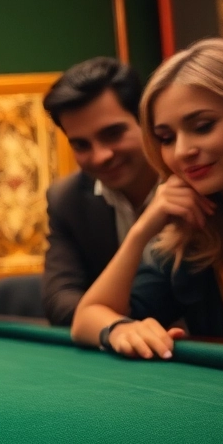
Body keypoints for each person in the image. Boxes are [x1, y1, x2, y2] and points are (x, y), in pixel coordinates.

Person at [72, 38, 223, 355]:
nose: (181, 152)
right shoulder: (197, 241)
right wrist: (142, 229)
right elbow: (86, 318)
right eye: (166, 138)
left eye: (203, 126)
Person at [41, 57, 160, 325]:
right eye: (81, 145)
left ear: (146, 120)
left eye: (112, 134)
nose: (100, 156)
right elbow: (60, 298)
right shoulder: (67, 200)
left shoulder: (195, 182)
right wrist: (118, 328)